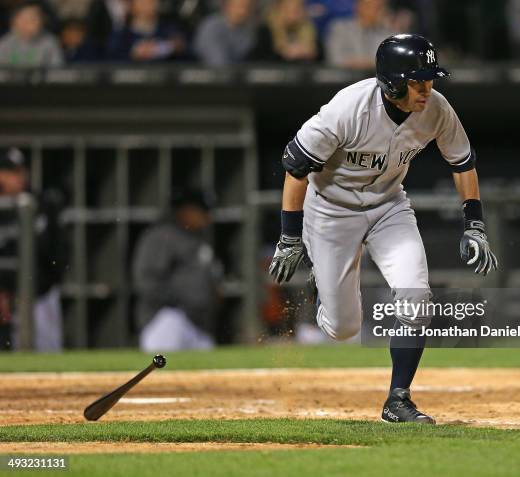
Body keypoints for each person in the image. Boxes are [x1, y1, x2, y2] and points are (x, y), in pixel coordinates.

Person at [268, 34, 498, 423]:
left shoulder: (437, 109)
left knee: (417, 295)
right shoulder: (347, 109)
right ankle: (329, 298)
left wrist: (474, 224)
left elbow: (462, 163)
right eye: (418, 81)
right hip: (330, 211)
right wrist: (290, 236)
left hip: (389, 204)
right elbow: (295, 169)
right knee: (343, 328)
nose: (428, 89)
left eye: (430, 80)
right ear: (392, 82)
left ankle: (398, 399)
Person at [132, 189, 223, 351]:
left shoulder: (198, 238)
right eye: (202, 211)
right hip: (167, 318)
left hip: (198, 322)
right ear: (186, 209)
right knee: (165, 371)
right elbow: (146, 280)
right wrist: (181, 300)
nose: (207, 218)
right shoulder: (162, 236)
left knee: (208, 372)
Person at [0, 148, 66, 351]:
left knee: (47, 352)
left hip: (40, 295)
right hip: (5, 294)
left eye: (21, 171)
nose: (19, 177)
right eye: (11, 171)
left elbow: (57, 252)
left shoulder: (40, 204)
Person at [106, 0, 186, 62]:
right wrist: (134, 54)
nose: (147, 4)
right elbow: (109, 62)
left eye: (151, 1)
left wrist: (167, 48)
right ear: (131, 5)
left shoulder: (170, 31)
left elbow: (187, 58)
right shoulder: (121, 36)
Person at [325, 0, 393, 69]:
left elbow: (389, 62)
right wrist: (366, 64)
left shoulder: (387, 34)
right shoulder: (340, 28)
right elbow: (335, 59)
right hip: (344, 77)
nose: (374, 10)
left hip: (373, 78)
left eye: (379, 7)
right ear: (359, 7)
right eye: (369, 6)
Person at [192, 0, 257, 66]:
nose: (244, 11)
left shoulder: (248, 31)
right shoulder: (212, 27)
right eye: (241, 6)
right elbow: (219, 65)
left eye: (249, 7)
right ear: (227, 6)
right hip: (208, 74)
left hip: (235, 73)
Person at [0, 1, 63, 67]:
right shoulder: (4, 43)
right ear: (14, 21)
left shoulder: (50, 42)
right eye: (24, 19)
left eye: (33, 19)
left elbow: (57, 71)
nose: (28, 23)